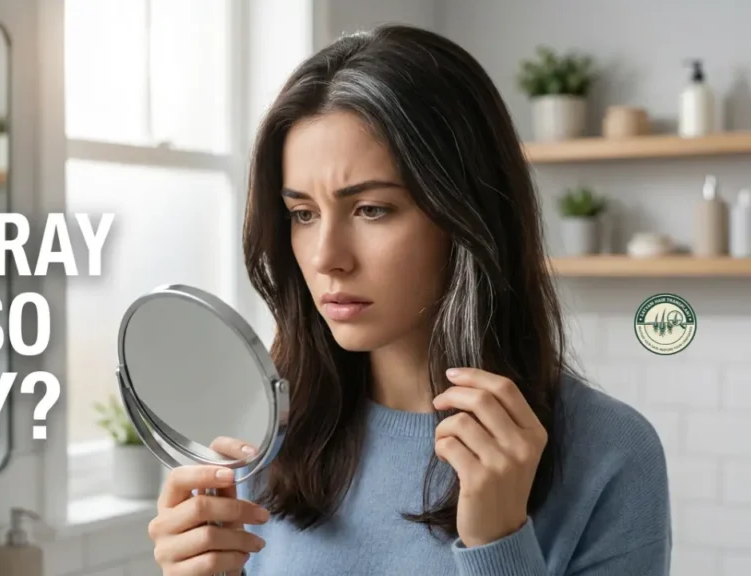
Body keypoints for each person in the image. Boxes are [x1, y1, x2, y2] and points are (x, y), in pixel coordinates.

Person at [145, 24, 671, 576]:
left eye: (371, 209)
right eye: (303, 213)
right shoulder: (262, 438)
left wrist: (499, 543)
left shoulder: (610, 453)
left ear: (466, 215)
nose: (326, 257)